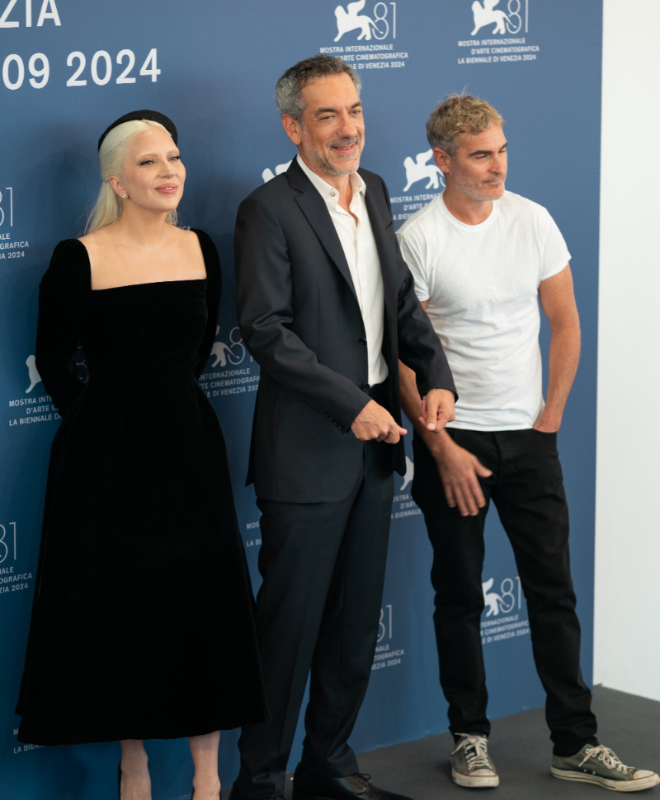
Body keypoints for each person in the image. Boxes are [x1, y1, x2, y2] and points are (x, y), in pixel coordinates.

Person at [397, 95, 660, 793]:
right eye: (481, 154)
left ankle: (576, 743)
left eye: (502, 150)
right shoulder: (418, 237)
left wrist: (550, 418)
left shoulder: (532, 220)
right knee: (459, 594)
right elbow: (403, 357)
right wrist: (440, 445)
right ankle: (469, 739)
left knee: (553, 593)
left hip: (529, 438)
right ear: (442, 160)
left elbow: (565, 323)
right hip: (455, 440)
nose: (498, 166)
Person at [15, 110, 268, 800]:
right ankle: (135, 766)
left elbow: (198, 347)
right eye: (150, 161)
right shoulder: (80, 258)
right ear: (118, 181)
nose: (169, 171)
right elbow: (54, 361)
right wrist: (98, 426)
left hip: (189, 447)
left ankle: (208, 778)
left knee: (202, 603)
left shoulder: (200, 250)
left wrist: (162, 412)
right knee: (121, 605)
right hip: (105, 460)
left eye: (174, 158)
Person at [230, 56, 456, 800]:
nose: (348, 128)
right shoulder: (268, 209)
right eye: (327, 115)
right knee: (288, 629)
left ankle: (328, 764)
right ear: (293, 127)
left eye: (353, 110)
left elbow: (400, 303)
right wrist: (350, 403)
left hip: (376, 448)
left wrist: (437, 374)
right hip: (307, 451)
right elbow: (266, 329)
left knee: (356, 623)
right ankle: (261, 779)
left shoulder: (378, 190)